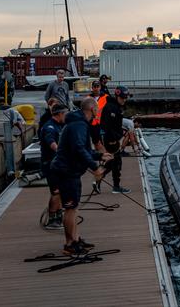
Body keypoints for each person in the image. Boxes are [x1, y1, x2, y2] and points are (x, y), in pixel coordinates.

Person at [46, 97, 113, 255]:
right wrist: (95, 168)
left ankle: (76, 239)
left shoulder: (79, 123)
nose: (98, 111)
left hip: (70, 171)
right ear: (93, 110)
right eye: (97, 109)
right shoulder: (79, 125)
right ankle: (70, 245)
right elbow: (78, 149)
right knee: (70, 208)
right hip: (66, 172)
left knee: (74, 208)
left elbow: (83, 149)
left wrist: (99, 156)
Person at [39, 103, 68, 230]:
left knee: (60, 191)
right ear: (60, 114)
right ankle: (52, 219)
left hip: (58, 164)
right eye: (65, 113)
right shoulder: (49, 127)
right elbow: (51, 142)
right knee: (56, 192)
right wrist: (60, 151)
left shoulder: (60, 125)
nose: (66, 116)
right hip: (50, 164)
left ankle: (58, 214)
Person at [98, 85, 132, 194]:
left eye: (126, 98)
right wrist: (113, 139)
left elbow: (115, 125)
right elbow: (107, 126)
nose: (124, 100)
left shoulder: (115, 107)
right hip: (111, 140)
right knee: (115, 163)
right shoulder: (111, 108)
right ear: (117, 96)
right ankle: (114, 186)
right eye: (122, 98)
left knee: (114, 162)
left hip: (113, 139)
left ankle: (100, 179)